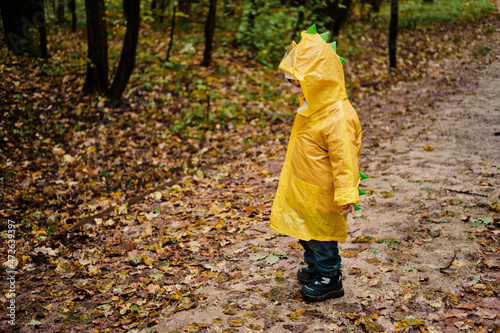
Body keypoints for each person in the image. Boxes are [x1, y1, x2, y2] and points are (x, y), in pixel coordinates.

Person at [270, 24, 362, 302]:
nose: (295, 87)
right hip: (306, 188)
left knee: (321, 238)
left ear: (318, 79)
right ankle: (314, 268)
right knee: (306, 233)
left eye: (299, 81)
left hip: (324, 193)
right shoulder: (314, 107)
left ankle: (330, 277)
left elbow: (345, 160)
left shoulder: (338, 117)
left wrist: (347, 193)